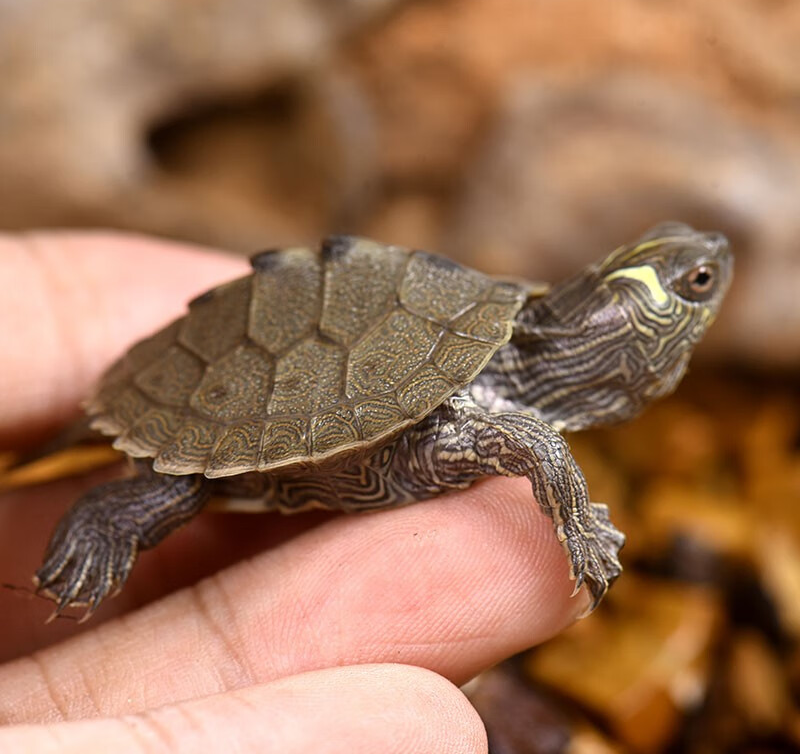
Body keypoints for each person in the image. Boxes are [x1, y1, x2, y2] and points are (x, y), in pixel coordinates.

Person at [0, 231, 587, 752]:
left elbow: (532, 441)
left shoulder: (501, 366)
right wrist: (579, 526)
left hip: (333, 399)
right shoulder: (495, 372)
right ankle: (103, 518)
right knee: (180, 487)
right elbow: (532, 442)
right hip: (232, 400)